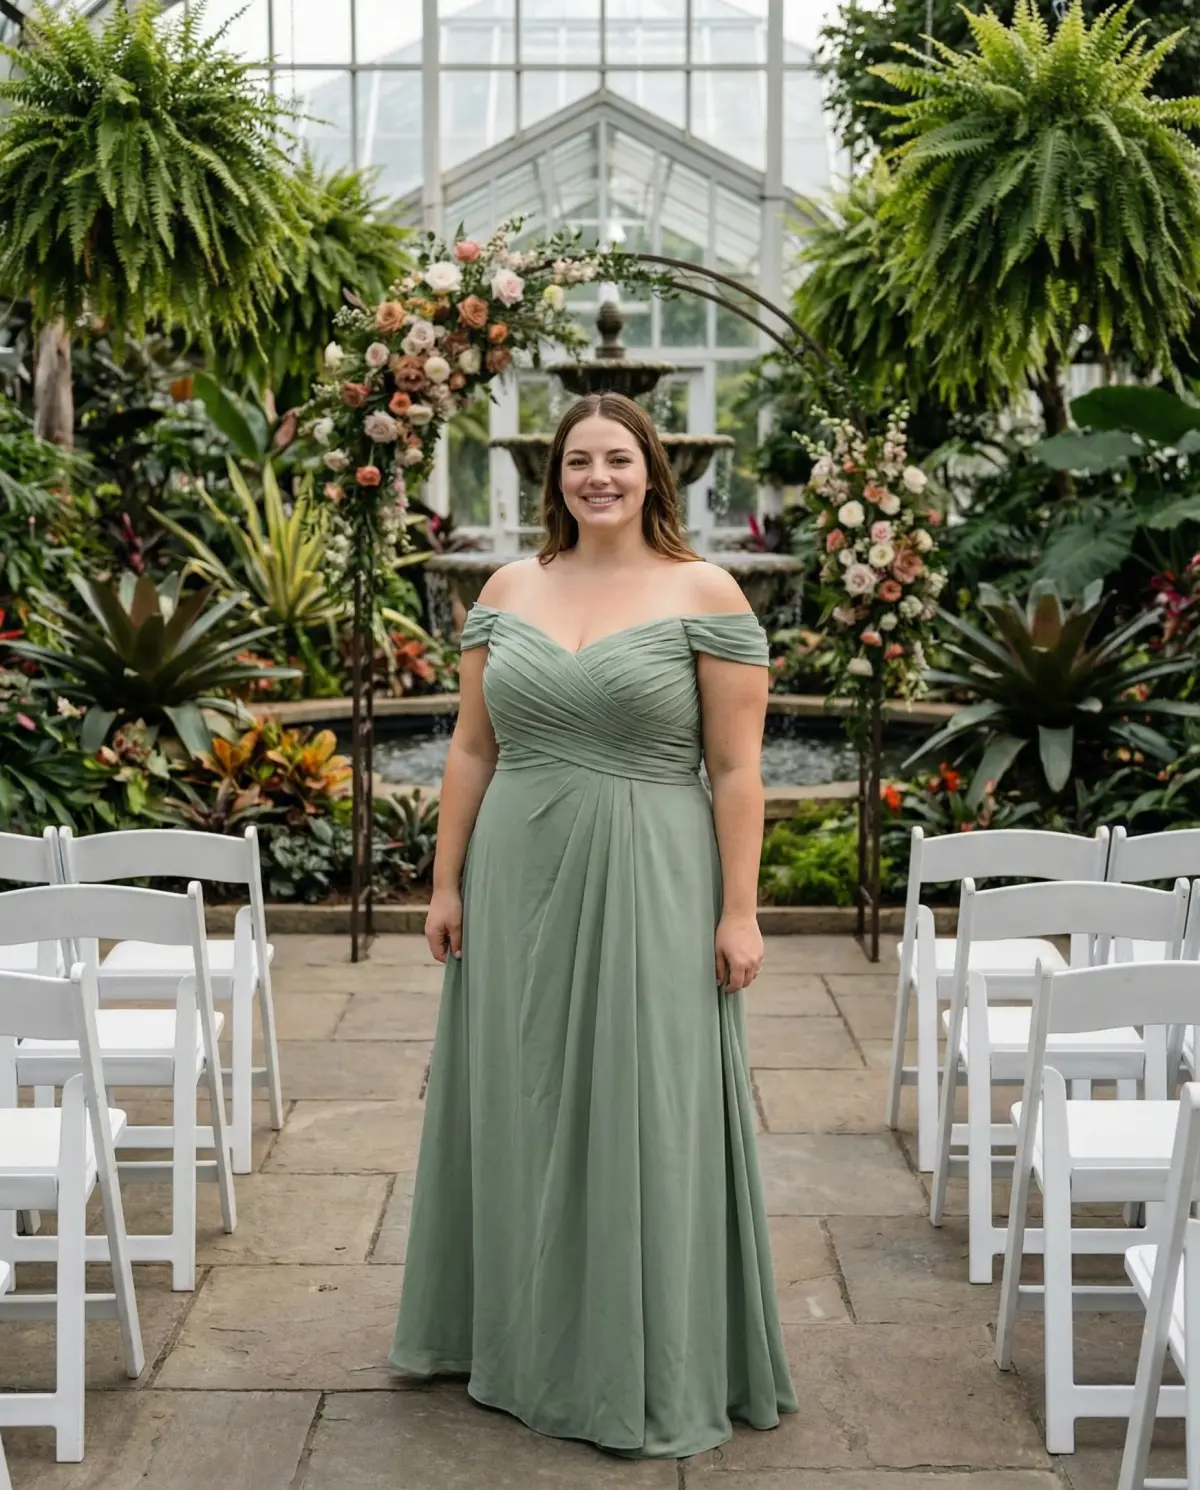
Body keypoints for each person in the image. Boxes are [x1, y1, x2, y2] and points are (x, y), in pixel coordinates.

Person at [389, 391, 797, 1458]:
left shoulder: (705, 588)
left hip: (653, 864)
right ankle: (516, 1340)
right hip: (516, 864)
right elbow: (472, 747)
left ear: (654, 472)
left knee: (638, 1096)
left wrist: (740, 909)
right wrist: (445, 883)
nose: (598, 476)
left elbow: (740, 770)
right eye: (580, 460)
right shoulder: (509, 585)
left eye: (618, 458)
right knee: (516, 1097)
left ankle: (636, 1357)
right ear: (554, 475)